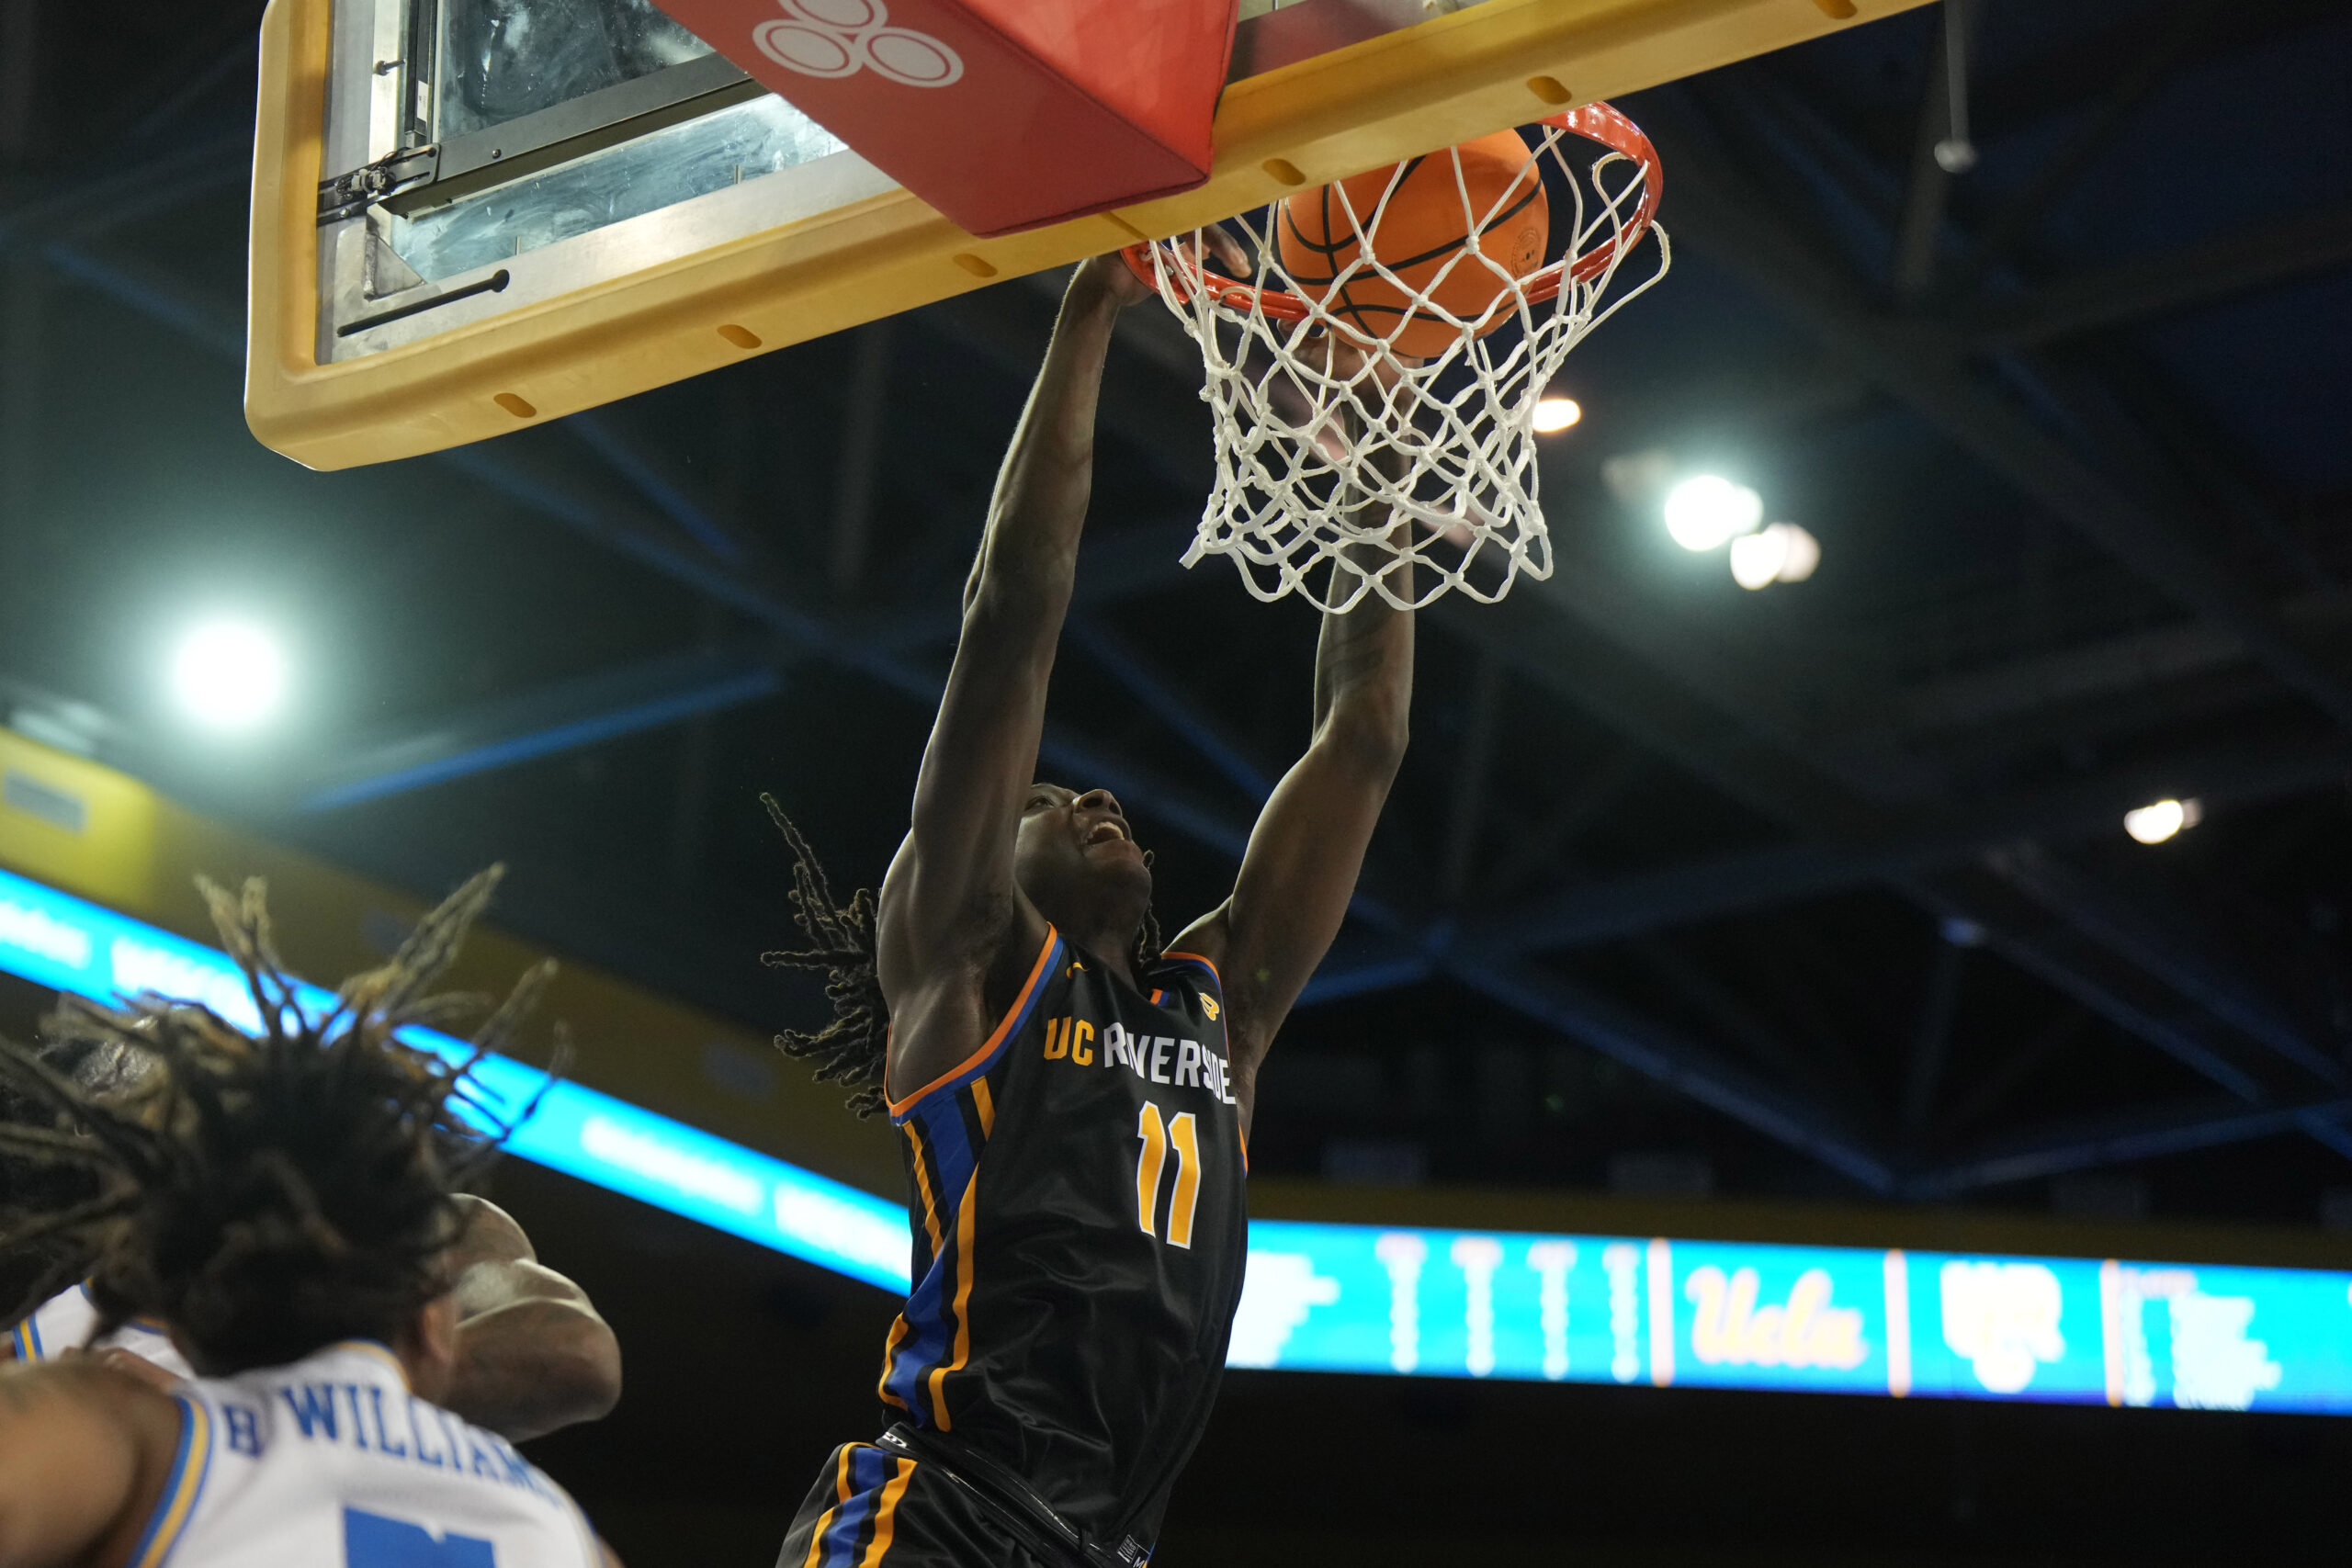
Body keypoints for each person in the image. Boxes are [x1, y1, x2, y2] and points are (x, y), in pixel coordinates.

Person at [763, 250, 1415, 1567]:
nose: (1094, 793)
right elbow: (1014, 608)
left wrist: (1382, 444)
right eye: (1050, 796)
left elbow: (1362, 737)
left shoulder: (1217, 1013)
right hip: (944, 1501)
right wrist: (1087, 313)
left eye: (1092, 793)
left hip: (1106, 1544)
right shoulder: (975, 959)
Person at [0, 872, 623, 1567]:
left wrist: (253, 1408)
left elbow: (577, 1357)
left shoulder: (406, 1225)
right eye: (163, 1063)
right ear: (96, 1130)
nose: (213, 1074)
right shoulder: (557, 1526)